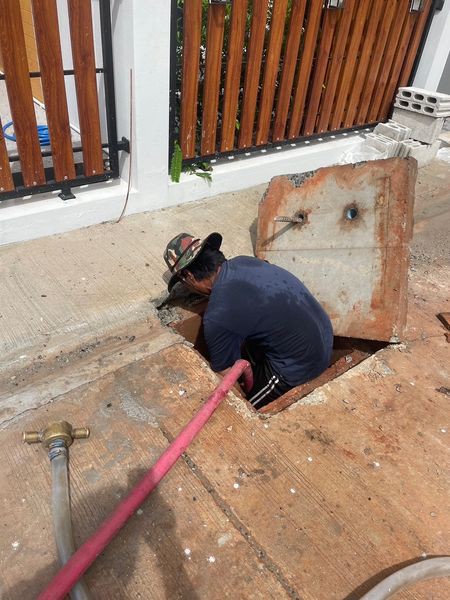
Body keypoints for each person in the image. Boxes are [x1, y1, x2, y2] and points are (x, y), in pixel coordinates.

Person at [163, 232, 333, 409]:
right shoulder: (245, 261)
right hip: (324, 336)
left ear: (189, 276)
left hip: (302, 365)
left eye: (183, 282)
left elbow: (227, 378)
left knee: (245, 408)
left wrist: (241, 399)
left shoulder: (218, 314)